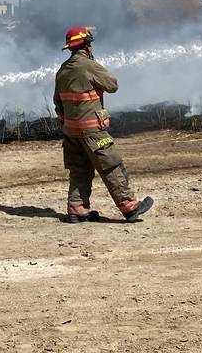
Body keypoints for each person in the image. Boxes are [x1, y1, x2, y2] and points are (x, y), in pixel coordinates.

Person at [53, 26, 154, 223]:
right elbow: (112, 85)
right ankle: (130, 207)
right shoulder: (89, 66)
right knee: (111, 166)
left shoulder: (62, 71)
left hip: (71, 132)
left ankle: (77, 210)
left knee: (79, 169)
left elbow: (57, 102)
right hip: (93, 130)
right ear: (87, 46)